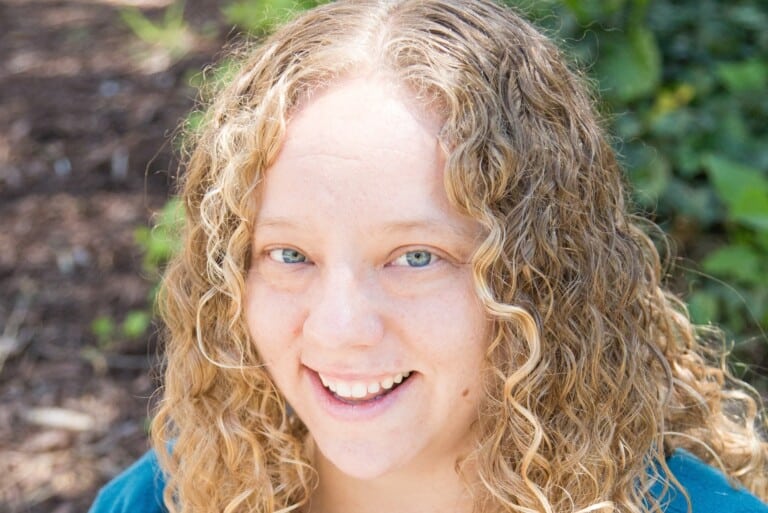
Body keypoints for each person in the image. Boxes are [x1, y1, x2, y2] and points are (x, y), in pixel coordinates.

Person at [89, 0, 768, 512]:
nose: (338, 329)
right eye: (289, 253)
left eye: (416, 257)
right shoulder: (169, 494)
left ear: (540, 277)